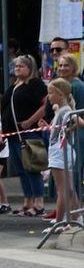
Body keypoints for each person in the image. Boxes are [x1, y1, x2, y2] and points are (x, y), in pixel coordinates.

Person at [0, 54, 49, 216]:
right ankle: (27, 201)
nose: (17, 68)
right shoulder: (14, 85)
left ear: (30, 68)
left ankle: (39, 202)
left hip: (28, 133)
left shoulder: (35, 84)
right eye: (16, 66)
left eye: (21, 66)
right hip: (13, 134)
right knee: (21, 168)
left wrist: (30, 120)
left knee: (32, 167)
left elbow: (45, 105)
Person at [43, 78, 81, 226]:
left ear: (61, 94)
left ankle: (59, 222)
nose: (49, 96)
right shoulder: (63, 110)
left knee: (62, 190)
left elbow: (75, 122)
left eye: (51, 93)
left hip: (61, 150)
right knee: (69, 188)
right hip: (62, 149)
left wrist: (69, 128)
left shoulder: (66, 111)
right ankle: (76, 217)